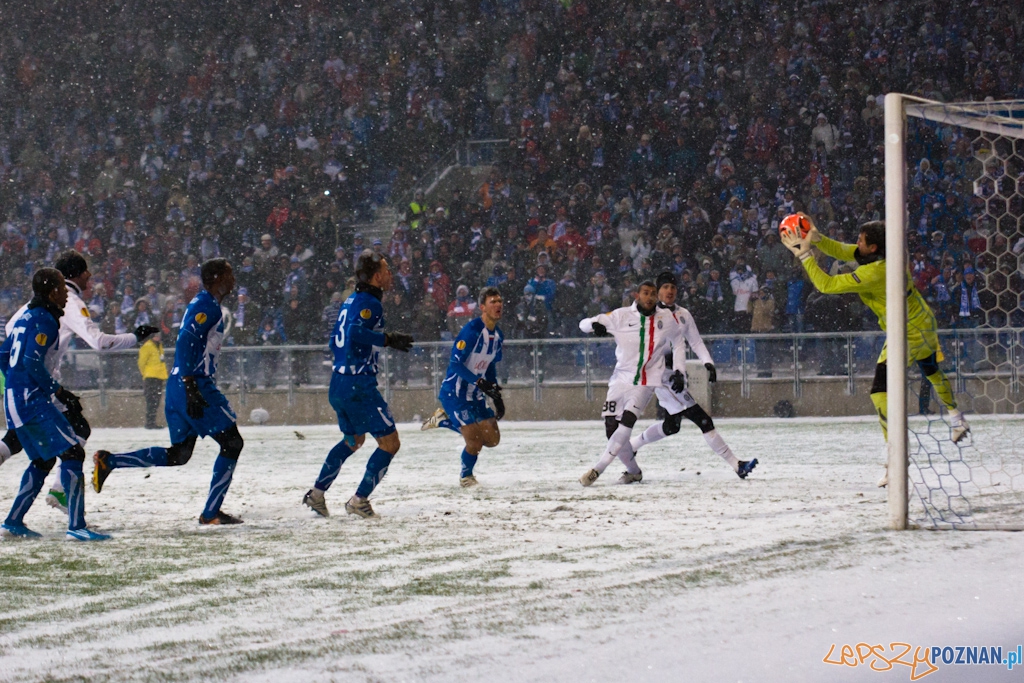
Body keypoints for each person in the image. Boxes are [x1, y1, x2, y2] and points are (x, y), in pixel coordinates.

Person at [780, 215, 970, 487]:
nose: (856, 243)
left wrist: (804, 255)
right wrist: (817, 238)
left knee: (880, 392)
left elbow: (827, 285)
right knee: (930, 370)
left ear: (874, 248)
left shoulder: (877, 272)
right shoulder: (881, 257)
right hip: (920, 322)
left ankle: (896, 460)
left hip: (908, 330)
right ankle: (956, 418)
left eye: (861, 241)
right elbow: (842, 249)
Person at [0, 250, 159, 512]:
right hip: (43, 385)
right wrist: (133, 337)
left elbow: (10, 333)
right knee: (75, 435)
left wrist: (15, 376)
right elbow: (98, 341)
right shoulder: (69, 301)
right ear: (76, 274)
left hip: (23, 386)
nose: (90, 276)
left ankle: (24, 513)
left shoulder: (31, 305)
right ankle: (63, 496)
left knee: (21, 439)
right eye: (87, 271)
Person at [92, 259, 247, 524]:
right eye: (230, 274)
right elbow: (186, 339)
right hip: (194, 382)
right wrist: (192, 389)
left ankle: (111, 461)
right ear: (218, 277)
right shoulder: (208, 306)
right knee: (233, 443)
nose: (234, 279)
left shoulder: (201, 302)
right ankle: (211, 513)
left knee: (179, 454)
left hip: (178, 383)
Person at [302, 251, 414, 519]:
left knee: (353, 440)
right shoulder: (369, 302)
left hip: (339, 381)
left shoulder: (350, 299)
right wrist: (387, 339)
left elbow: (335, 340)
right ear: (377, 276)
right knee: (390, 443)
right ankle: (359, 501)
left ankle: (317, 494)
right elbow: (355, 332)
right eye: (386, 270)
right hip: (358, 385)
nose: (390, 274)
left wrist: (347, 360)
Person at [0, 268, 108, 540]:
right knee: (73, 452)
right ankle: (77, 527)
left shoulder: (24, 316)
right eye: (62, 288)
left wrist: (14, 382)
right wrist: (57, 391)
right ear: (52, 292)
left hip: (14, 400)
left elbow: (4, 355)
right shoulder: (47, 319)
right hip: (30, 401)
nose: (66, 294)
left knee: (42, 458)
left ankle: (13, 522)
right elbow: (31, 362)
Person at [626, 272, 756, 481]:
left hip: (675, 376)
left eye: (673, 287)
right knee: (703, 420)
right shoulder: (650, 314)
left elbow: (695, 342)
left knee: (671, 426)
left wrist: (708, 363)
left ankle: (631, 446)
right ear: (658, 291)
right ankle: (737, 464)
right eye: (665, 287)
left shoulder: (683, 314)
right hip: (662, 376)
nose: (670, 291)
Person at [577, 280, 679, 487]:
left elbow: (679, 342)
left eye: (652, 293)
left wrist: (678, 369)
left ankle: (598, 469)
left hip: (646, 380)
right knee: (611, 428)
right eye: (645, 293)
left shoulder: (665, 318)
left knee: (627, 422)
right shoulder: (621, 316)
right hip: (620, 378)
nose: (649, 297)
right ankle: (634, 471)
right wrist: (594, 325)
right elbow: (583, 324)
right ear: (637, 296)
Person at [420, 287, 505, 487]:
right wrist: (479, 381)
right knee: (474, 442)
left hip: (475, 395)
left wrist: (495, 394)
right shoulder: (472, 331)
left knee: (492, 440)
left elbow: (490, 363)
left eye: (500, 301)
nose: (498, 304)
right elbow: (455, 364)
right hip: (455, 394)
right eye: (493, 301)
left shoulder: (498, 336)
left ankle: (442, 420)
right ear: (482, 307)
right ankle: (466, 477)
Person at [138, 331, 168, 429]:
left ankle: (152, 421)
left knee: (156, 400)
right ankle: (150, 422)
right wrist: (145, 373)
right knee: (151, 400)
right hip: (151, 376)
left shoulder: (159, 346)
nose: (158, 338)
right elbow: (142, 362)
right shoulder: (147, 346)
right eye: (156, 336)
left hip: (159, 375)